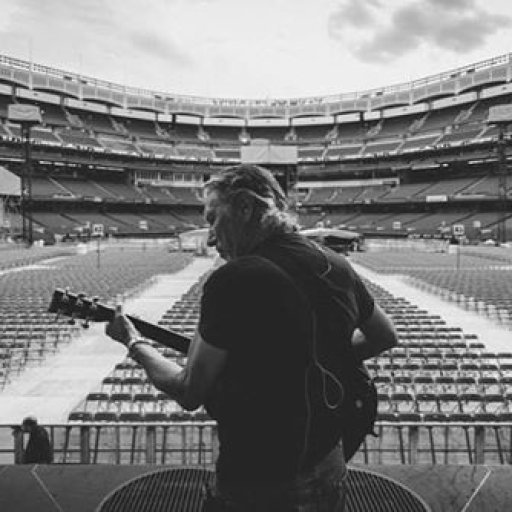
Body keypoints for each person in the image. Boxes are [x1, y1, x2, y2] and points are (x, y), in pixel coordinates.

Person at [105, 164, 398, 511]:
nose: (211, 237)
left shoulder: (233, 279)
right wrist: (318, 357)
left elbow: (188, 390)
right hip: (331, 464)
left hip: (259, 478)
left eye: (213, 219)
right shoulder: (335, 262)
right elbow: (384, 335)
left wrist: (134, 343)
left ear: (245, 208)